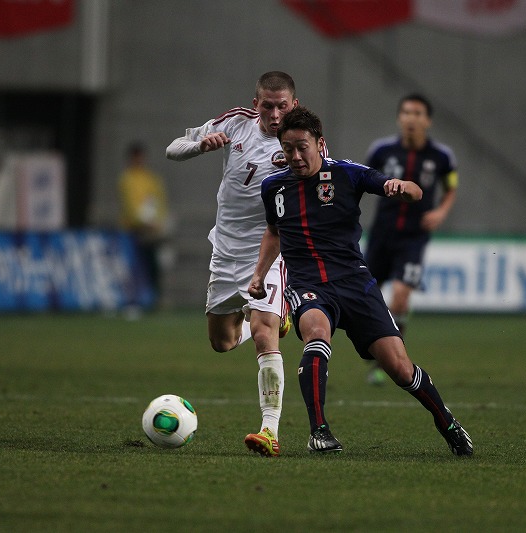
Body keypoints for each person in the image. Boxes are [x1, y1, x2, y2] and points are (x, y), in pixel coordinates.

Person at [249, 106, 473, 456]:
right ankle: (319, 431)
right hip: (309, 284)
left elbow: (413, 191)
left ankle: (446, 420)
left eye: (302, 147)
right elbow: (273, 232)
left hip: (355, 283)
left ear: (319, 144)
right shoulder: (273, 187)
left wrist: (402, 188)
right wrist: (259, 275)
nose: (295, 156)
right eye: (288, 149)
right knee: (317, 334)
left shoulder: (347, 174)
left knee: (399, 368)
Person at [165, 71, 300, 457]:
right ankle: (276, 317)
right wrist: (200, 147)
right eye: (268, 106)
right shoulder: (236, 122)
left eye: (283, 106)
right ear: (256, 104)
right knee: (222, 342)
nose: (275, 114)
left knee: (262, 333)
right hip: (225, 250)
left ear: (295, 105)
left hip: (270, 249)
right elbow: (173, 147)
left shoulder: (301, 141)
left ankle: (269, 431)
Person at [364, 94, 458, 385]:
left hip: (414, 239)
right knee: (368, 296)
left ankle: (391, 359)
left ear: (427, 120)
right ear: (399, 118)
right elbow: (363, 181)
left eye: (417, 113)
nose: (411, 119)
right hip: (381, 234)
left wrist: (441, 211)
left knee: (401, 298)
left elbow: (451, 187)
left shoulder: (441, 157)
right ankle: (375, 346)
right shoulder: (381, 151)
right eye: (406, 112)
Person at [118, 141, 170, 309]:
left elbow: (159, 202)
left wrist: (158, 221)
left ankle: (154, 300)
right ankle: (133, 301)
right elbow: (130, 205)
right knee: (134, 266)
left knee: (153, 265)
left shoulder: (151, 179)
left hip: (151, 231)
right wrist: (142, 221)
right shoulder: (127, 179)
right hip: (133, 230)